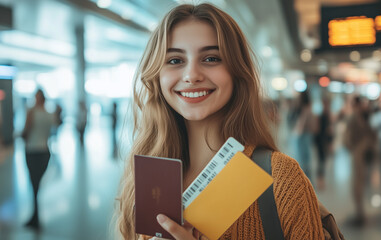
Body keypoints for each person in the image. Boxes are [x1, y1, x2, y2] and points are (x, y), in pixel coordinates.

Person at [116, 3, 324, 240]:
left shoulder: (282, 178)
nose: (192, 75)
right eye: (175, 60)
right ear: (157, 75)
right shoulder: (147, 179)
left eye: (211, 58)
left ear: (237, 72)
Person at [22, 89, 55, 229]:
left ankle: (35, 217)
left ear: (39, 98)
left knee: (34, 184)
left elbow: (25, 131)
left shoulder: (32, 112)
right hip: (45, 151)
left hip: (32, 151)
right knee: (36, 185)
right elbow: (54, 129)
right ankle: (35, 216)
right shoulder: (49, 114)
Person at [343, 96, 377, 226]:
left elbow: (347, 138)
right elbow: (372, 136)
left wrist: (352, 147)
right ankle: (360, 212)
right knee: (359, 184)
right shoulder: (363, 117)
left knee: (357, 185)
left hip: (358, 153)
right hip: (361, 153)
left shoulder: (354, 118)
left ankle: (360, 213)